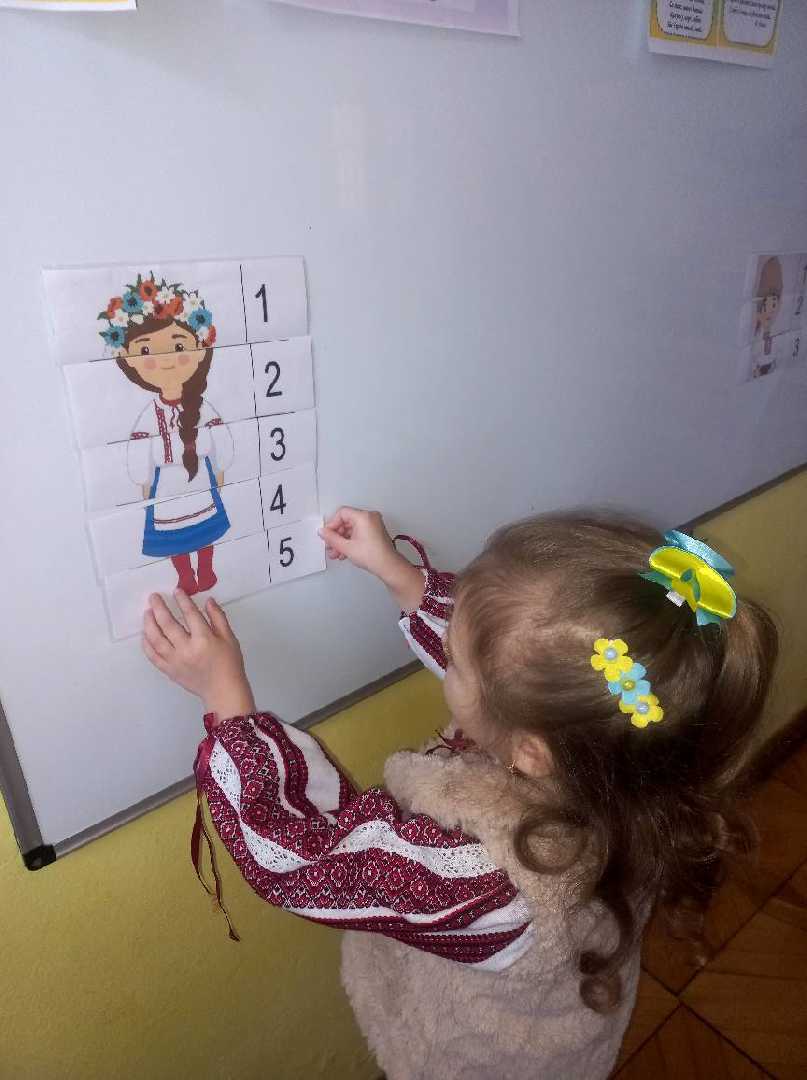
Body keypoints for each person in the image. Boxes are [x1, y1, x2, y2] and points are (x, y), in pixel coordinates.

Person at [142, 507, 777, 1080]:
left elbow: (308, 864)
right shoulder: (633, 771)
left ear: (530, 750)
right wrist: (401, 577)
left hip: (486, 1059)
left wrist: (227, 702)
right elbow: (510, 665)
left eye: (455, 657)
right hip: (573, 1012)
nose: (450, 656)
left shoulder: (495, 882)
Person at [98, 272, 233, 594]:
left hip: (200, 478)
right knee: (174, 535)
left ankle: (207, 570)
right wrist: (143, 481)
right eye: (146, 351)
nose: (167, 360)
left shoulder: (203, 407)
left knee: (204, 529)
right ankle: (185, 576)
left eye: (178, 346)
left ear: (199, 350)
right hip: (167, 484)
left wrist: (221, 467)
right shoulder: (149, 415)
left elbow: (221, 437)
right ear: (129, 360)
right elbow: (139, 450)